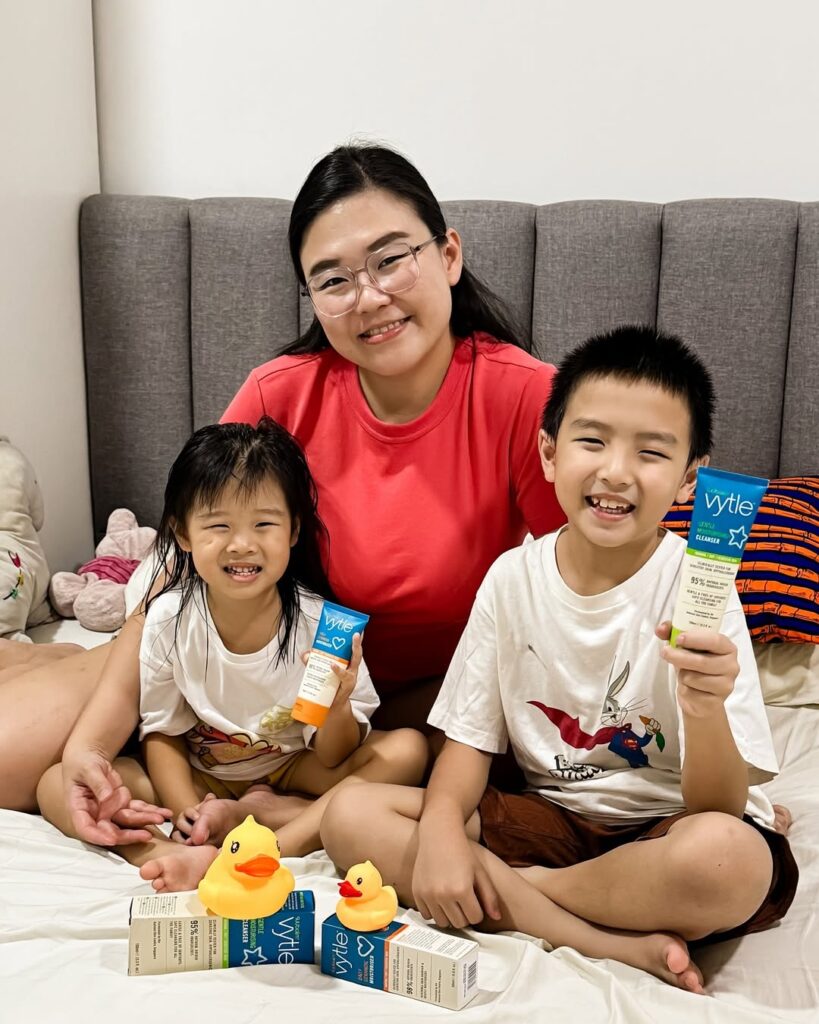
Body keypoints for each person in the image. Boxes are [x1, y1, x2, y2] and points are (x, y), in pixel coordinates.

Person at [0, 143, 563, 829]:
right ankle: (49, 663)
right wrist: (91, 742)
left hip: (419, 696)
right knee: (16, 763)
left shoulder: (526, 397)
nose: (369, 298)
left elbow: (588, 581)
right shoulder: (280, 396)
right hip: (248, 667)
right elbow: (178, 575)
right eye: (333, 280)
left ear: (448, 255)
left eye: (391, 259)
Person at [320, 325, 799, 993]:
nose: (615, 471)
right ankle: (602, 936)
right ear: (548, 452)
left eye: (651, 452)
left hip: (666, 827)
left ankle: (527, 897)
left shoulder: (699, 590)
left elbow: (717, 806)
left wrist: (704, 707)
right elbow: (468, 739)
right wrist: (441, 833)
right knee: (350, 815)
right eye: (592, 440)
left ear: (689, 478)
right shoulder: (511, 578)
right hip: (547, 816)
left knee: (726, 861)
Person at [37, 420, 427, 893]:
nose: (242, 544)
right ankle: (168, 853)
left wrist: (338, 707)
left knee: (407, 749)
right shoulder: (168, 619)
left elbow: (333, 753)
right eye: (219, 525)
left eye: (263, 524)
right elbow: (163, 732)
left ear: (293, 530)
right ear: (182, 533)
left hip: (292, 769)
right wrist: (188, 813)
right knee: (57, 783)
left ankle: (274, 842)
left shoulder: (322, 626)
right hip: (204, 774)